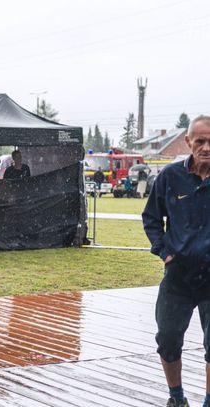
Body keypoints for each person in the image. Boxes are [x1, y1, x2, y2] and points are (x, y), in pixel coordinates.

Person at [143, 115, 210, 407]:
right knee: (168, 339)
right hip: (178, 275)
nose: (207, 147)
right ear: (188, 142)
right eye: (200, 141)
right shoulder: (170, 177)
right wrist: (164, 252)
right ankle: (177, 398)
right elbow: (151, 218)